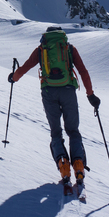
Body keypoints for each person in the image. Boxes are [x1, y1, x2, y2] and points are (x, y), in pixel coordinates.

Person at [9, 26, 101, 194]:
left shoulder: (41, 49)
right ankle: (79, 167)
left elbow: (26, 66)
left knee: (56, 132)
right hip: (68, 92)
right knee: (73, 131)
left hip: (48, 92)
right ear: (62, 35)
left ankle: (63, 167)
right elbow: (83, 71)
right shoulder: (69, 48)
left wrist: (13, 77)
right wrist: (90, 95)